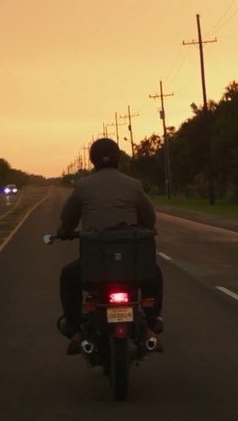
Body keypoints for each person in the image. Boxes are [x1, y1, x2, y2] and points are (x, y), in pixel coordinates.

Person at [57, 138, 162, 354]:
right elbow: (149, 218)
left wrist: (64, 232)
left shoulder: (83, 186)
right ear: (118, 158)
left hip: (94, 267)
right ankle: (151, 325)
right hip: (132, 266)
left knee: (68, 276)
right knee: (154, 273)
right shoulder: (134, 185)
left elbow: (68, 219)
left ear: (92, 159)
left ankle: (75, 331)